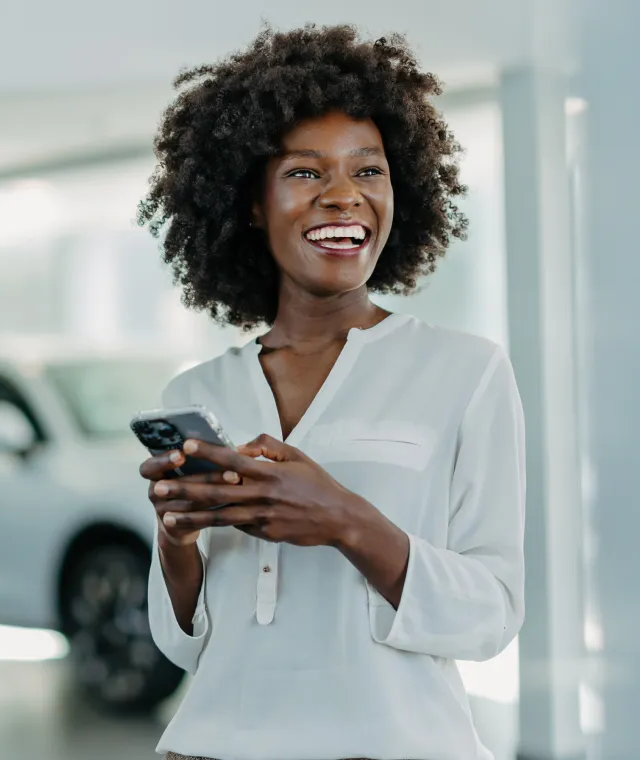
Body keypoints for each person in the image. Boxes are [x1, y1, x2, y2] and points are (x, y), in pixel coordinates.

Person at [137, 23, 525, 760]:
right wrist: (175, 538)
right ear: (251, 203)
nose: (344, 196)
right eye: (305, 173)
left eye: (368, 171)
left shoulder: (466, 371)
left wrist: (345, 519)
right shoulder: (198, 389)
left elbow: (493, 615)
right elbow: (185, 644)